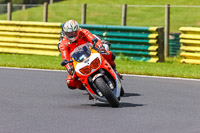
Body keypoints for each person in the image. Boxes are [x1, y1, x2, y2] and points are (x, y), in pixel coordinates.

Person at [58, 20, 122, 95]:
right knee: (70, 82)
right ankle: (88, 87)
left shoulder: (83, 32)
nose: (72, 35)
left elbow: (93, 39)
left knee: (109, 54)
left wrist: (100, 47)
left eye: (74, 32)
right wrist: (69, 67)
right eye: (69, 33)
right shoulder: (63, 43)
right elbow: (65, 57)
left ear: (77, 30)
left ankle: (114, 71)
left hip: (92, 53)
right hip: (78, 62)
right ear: (65, 33)